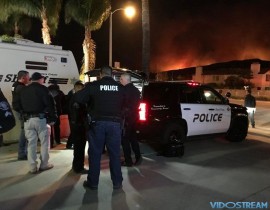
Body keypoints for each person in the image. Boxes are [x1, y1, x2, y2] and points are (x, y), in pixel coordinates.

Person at [75, 66, 125, 190]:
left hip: (97, 124)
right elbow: (127, 104)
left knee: (95, 154)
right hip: (115, 124)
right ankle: (117, 182)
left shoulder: (94, 85)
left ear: (101, 74)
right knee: (115, 154)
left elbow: (78, 98)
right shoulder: (120, 87)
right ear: (112, 74)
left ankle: (93, 183)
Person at [13, 72, 57, 174]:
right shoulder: (43, 89)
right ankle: (44, 165)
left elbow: (16, 105)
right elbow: (50, 104)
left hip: (27, 120)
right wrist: (53, 118)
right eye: (43, 79)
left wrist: (23, 113)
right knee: (44, 143)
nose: (44, 81)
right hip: (41, 119)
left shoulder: (23, 89)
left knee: (31, 144)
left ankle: (32, 167)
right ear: (40, 79)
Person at [120, 73, 142, 166]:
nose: (120, 80)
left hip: (126, 119)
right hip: (134, 118)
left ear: (126, 80)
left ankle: (128, 161)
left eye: (121, 79)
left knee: (125, 140)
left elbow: (121, 104)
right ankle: (138, 157)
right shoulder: (136, 90)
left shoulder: (124, 90)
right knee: (133, 139)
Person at [69, 81, 88, 173]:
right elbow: (78, 114)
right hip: (79, 125)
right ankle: (78, 167)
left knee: (78, 147)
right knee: (80, 147)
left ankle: (76, 166)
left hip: (75, 125)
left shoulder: (73, 97)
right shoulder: (78, 99)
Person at [11, 70, 30, 160]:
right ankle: (22, 153)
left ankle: (23, 152)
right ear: (23, 78)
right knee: (24, 131)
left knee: (24, 131)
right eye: (28, 77)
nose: (29, 79)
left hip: (18, 110)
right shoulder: (21, 88)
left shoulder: (15, 85)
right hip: (22, 112)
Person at [48, 81, 66, 147]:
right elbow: (64, 102)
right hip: (57, 112)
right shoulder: (60, 93)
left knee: (49, 127)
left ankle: (50, 143)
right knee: (57, 127)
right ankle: (58, 140)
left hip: (48, 113)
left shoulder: (47, 92)